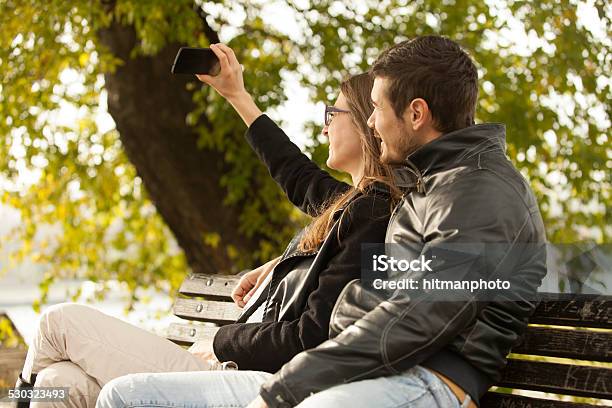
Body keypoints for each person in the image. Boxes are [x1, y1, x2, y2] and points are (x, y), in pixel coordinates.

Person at [99, 35, 547, 408]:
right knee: (127, 395)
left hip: (429, 381)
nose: (372, 123)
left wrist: (285, 386)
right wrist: (288, 262)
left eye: (375, 109)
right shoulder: (428, 187)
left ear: (415, 113)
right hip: (382, 371)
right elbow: (378, 286)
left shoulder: (479, 193)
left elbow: (419, 315)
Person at [14, 41, 400, 408]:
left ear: (368, 122)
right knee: (57, 383)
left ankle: (17, 400)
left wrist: (221, 340)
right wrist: (237, 95)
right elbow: (291, 170)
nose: (325, 127)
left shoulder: (370, 214)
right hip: (225, 365)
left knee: (57, 321)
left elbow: (308, 336)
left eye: (332, 114)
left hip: (239, 374)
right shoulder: (348, 208)